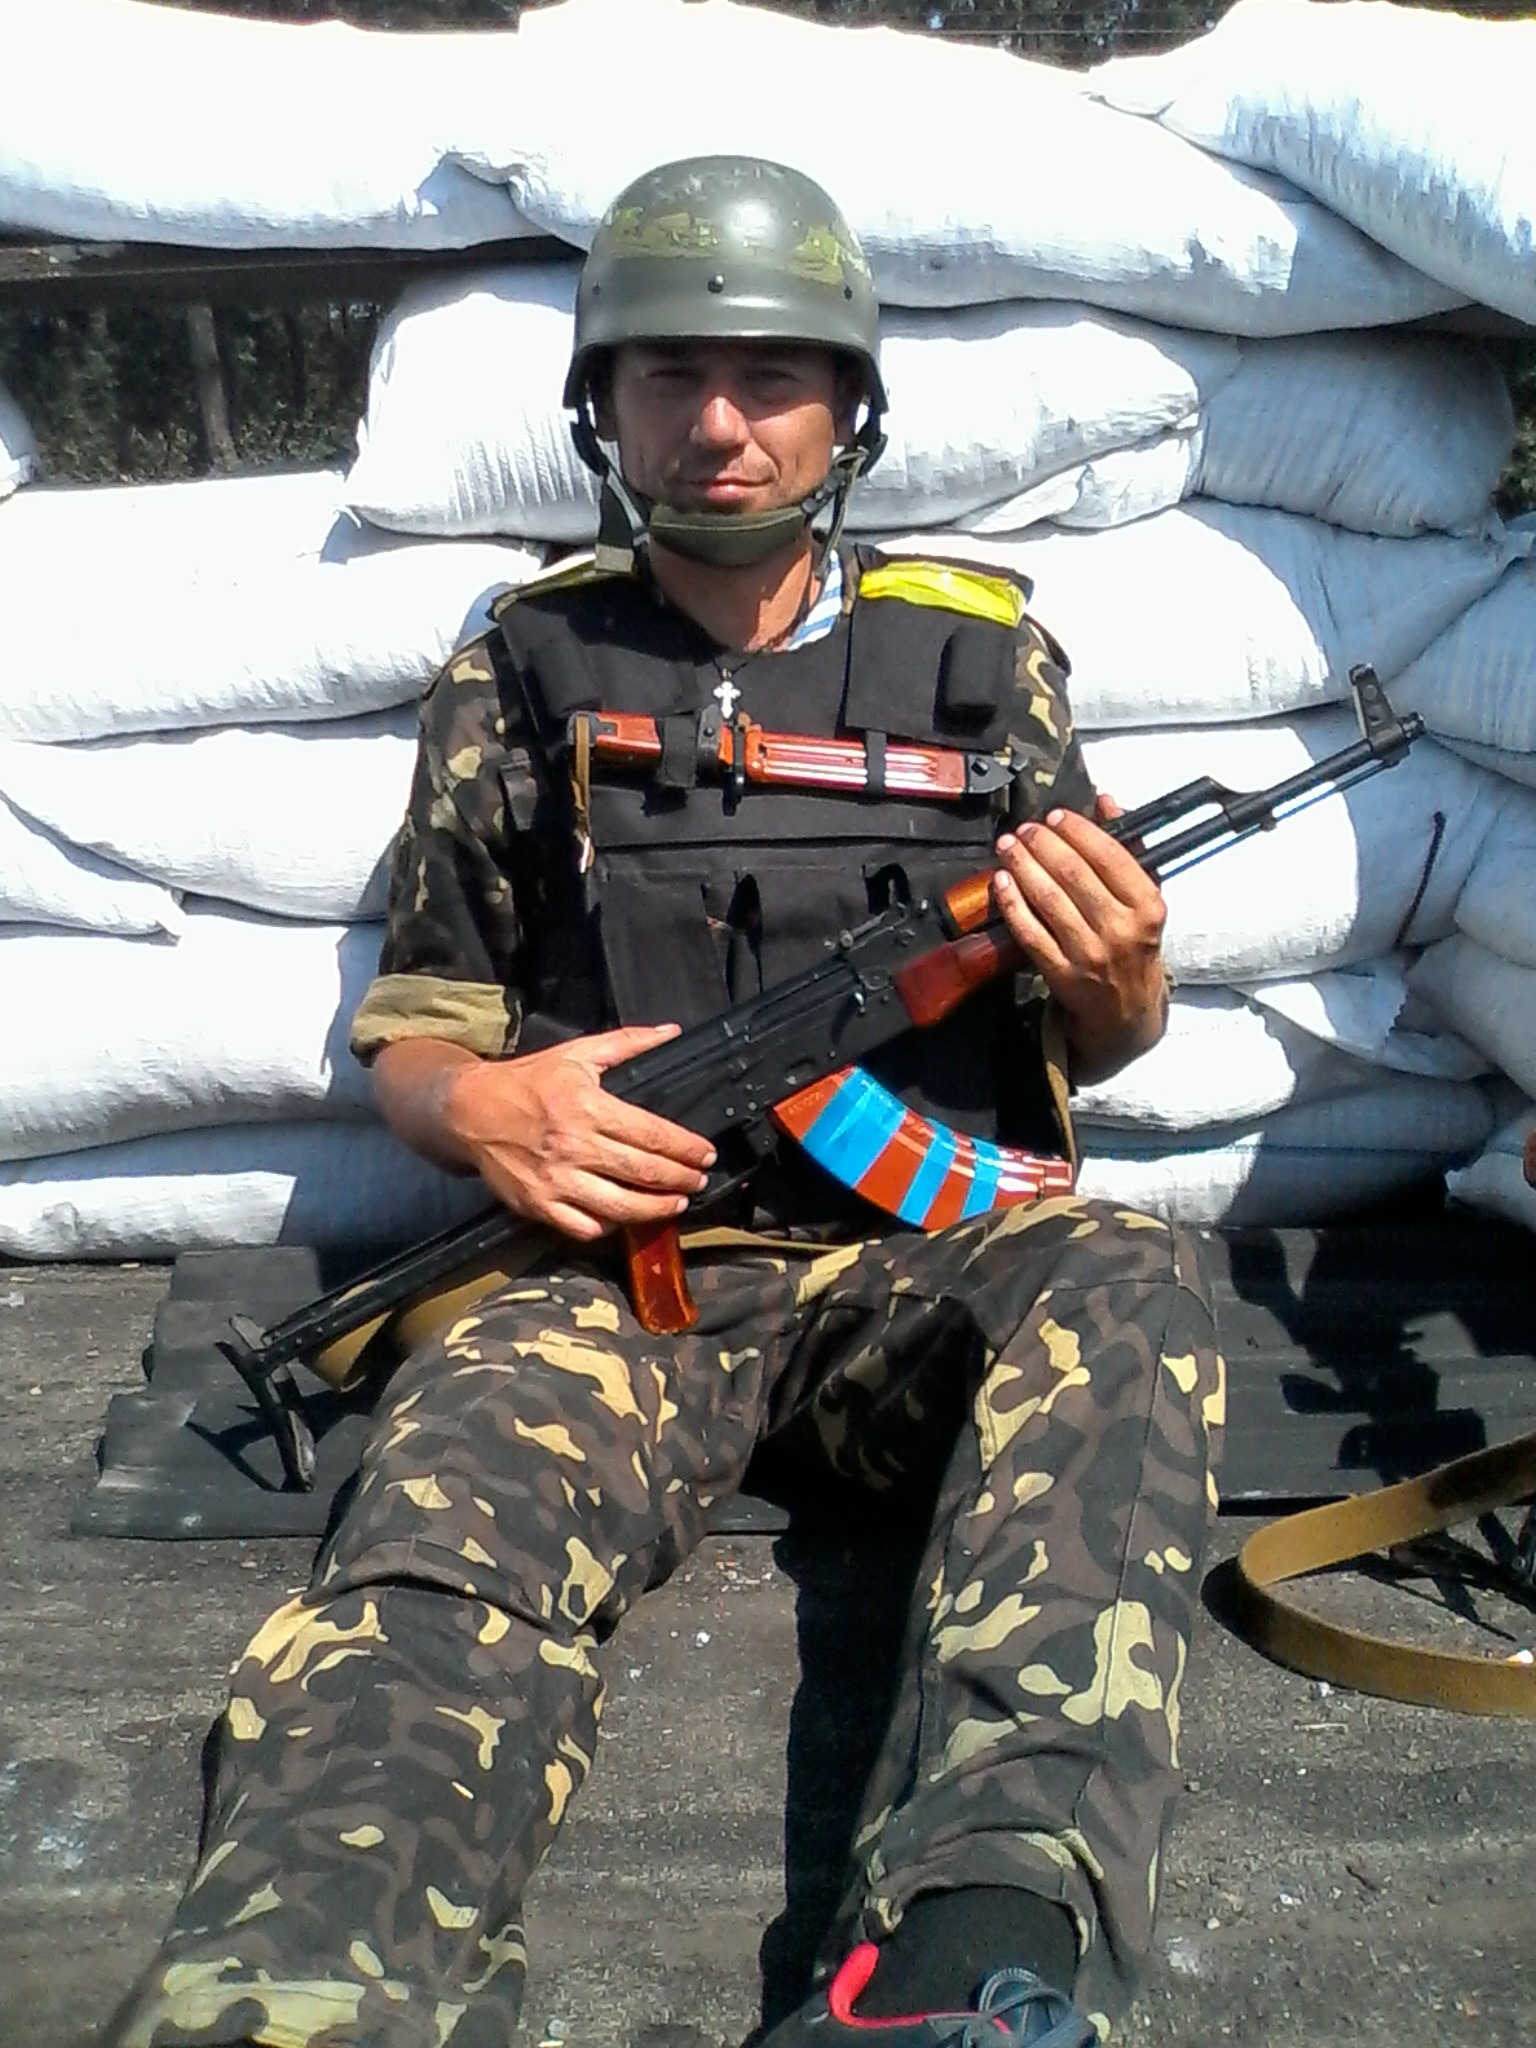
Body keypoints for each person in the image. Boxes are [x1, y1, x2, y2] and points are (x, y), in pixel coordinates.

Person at [105, 156, 1223, 2048]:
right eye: (668, 376)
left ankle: (967, 1953)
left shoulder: (986, 664)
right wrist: (491, 1117)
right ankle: (292, 1991)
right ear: (600, 407)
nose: (718, 424)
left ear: (849, 405)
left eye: (770, 375)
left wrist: (1121, 980)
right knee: (433, 1556)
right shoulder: (522, 665)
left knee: (1133, 1282)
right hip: (613, 1287)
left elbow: (1098, 1032)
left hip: (916, 1278)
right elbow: (419, 1031)